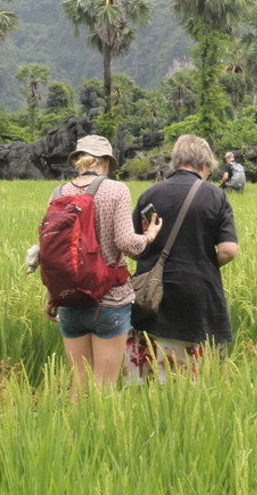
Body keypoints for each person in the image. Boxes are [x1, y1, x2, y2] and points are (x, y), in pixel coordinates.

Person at [49, 135, 162, 392]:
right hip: (110, 298)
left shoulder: (58, 193)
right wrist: (149, 235)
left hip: (70, 299)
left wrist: (51, 295)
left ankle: (74, 431)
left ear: (77, 160)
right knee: (105, 387)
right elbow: (126, 243)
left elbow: (53, 252)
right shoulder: (116, 190)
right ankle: (101, 433)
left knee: (79, 383)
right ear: (107, 162)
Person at [126, 134, 239, 382]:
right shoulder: (216, 196)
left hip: (153, 296)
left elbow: (131, 246)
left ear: (177, 161)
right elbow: (229, 250)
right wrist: (205, 262)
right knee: (196, 379)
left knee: (153, 377)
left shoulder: (150, 194)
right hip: (199, 294)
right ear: (205, 164)